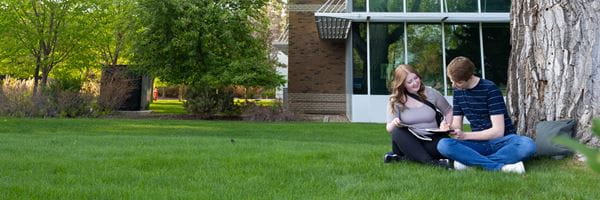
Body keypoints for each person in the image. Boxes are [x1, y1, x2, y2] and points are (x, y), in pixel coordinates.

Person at [436, 56, 536, 174]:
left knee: (528, 145)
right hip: (478, 144)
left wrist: (465, 136)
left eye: (457, 82)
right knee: (443, 145)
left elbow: (498, 132)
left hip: (501, 142)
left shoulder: (490, 89)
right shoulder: (458, 92)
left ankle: (472, 163)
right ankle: (501, 168)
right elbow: (457, 126)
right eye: (451, 80)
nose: (453, 85)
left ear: (469, 77)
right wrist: (448, 128)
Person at [384, 64, 453, 168]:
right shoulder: (395, 100)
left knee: (445, 146)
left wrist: (447, 124)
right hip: (409, 142)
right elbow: (389, 128)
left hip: (431, 139)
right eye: (409, 82)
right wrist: (394, 123)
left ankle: (404, 158)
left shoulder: (431, 93)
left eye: (415, 78)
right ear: (402, 84)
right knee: (397, 131)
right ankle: (433, 163)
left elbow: (448, 110)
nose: (415, 83)